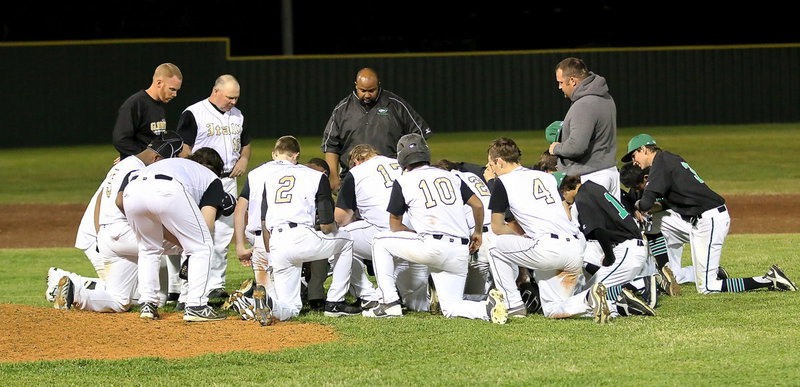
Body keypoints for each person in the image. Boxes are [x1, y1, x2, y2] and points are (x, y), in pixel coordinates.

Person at [622, 133, 797, 294]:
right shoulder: (669, 159)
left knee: (707, 287)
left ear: (644, 149)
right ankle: (665, 273)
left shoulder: (659, 164)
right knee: (654, 221)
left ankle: (768, 280)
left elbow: (645, 204)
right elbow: (670, 201)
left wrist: (637, 206)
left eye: (633, 155)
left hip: (710, 220)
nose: (633, 161)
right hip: (699, 220)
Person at [363, 134, 507, 324]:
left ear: (401, 158)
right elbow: (478, 205)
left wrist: (414, 236)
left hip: (432, 247)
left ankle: (389, 302)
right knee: (451, 307)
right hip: (459, 252)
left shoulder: (403, 181)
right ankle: (486, 308)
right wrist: (477, 232)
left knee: (380, 241)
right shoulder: (451, 176)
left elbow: (394, 226)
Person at [51, 132, 188, 313]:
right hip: (126, 234)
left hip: (109, 236)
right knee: (192, 242)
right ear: (156, 157)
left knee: (120, 300)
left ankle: (74, 291)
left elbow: (101, 197)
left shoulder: (123, 165)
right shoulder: (139, 170)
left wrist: (101, 232)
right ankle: (192, 301)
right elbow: (122, 202)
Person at [484, 137, 609, 323]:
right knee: (552, 309)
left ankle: (513, 305)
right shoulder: (546, 177)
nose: (490, 168)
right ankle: (588, 299)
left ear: (499, 162)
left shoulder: (503, 182)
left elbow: (497, 227)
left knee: (494, 245)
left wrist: (521, 236)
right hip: (575, 247)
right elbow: (566, 212)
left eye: (491, 163)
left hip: (548, 249)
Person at [251, 136, 360, 325]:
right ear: (297, 156)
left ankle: (269, 303)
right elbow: (326, 224)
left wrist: (271, 256)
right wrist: (332, 230)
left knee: (291, 306)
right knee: (346, 240)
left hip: (277, 242)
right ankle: (335, 301)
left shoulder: (270, 179)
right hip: (301, 236)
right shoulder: (316, 176)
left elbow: (263, 222)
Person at [118, 148, 232, 321]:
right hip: (167, 189)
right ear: (217, 170)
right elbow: (206, 225)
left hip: (132, 190)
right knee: (203, 247)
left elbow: (119, 202)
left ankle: (148, 303)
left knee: (148, 248)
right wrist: (188, 244)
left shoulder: (177, 164)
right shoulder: (212, 179)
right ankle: (196, 305)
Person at [177, 74, 252, 300]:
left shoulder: (237, 115)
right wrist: (191, 175)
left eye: (236, 98)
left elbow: (245, 143)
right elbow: (184, 148)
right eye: (230, 97)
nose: (233, 102)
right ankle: (187, 291)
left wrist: (244, 160)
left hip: (228, 180)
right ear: (216, 91)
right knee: (197, 233)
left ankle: (215, 285)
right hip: (201, 181)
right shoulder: (194, 113)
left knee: (222, 236)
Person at [557, 174, 655, 317]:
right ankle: (625, 298)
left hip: (628, 250)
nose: (564, 199)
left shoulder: (583, 197)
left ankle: (639, 285)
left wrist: (609, 257)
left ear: (567, 189)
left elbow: (598, 229)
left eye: (562, 194)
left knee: (590, 296)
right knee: (590, 292)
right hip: (631, 247)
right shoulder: (592, 187)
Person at [321, 67, 433, 192]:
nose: (367, 95)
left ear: (379, 85)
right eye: (363, 90)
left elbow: (418, 136)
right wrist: (334, 177)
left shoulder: (395, 105)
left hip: (390, 178)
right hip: (353, 178)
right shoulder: (342, 109)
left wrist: (411, 169)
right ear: (356, 85)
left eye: (372, 90)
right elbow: (331, 146)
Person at [548, 57, 620, 200]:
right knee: (611, 222)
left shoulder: (584, 104)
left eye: (561, 82)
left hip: (592, 178)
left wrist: (556, 148)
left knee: (587, 222)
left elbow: (576, 147)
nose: (560, 87)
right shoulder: (606, 97)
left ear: (573, 81)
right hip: (610, 172)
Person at [112, 63, 183, 159]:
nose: (175, 94)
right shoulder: (135, 104)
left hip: (152, 164)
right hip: (139, 168)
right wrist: (138, 157)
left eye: (177, 90)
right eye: (172, 89)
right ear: (159, 83)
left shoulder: (159, 106)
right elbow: (121, 140)